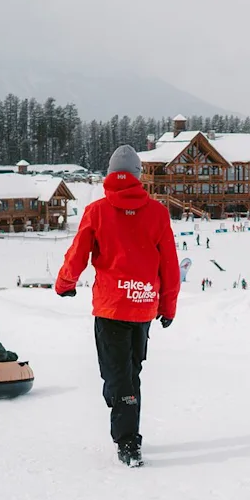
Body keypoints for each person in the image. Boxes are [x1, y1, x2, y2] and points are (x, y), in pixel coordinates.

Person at [54, 145, 180, 468]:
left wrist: (65, 284)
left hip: (111, 310)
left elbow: (77, 255)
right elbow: (170, 266)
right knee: (130, 372)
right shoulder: (157, 213)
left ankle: (127, 442)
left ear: (110, 176)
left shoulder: (97, 212)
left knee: (117, 377)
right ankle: (127, 428)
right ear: (138, 177)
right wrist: (167, 306)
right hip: (142, 307)